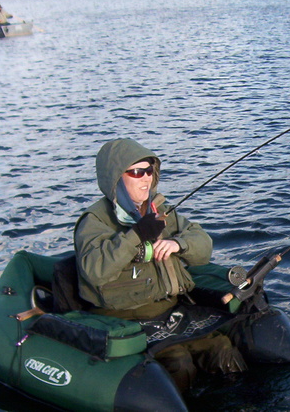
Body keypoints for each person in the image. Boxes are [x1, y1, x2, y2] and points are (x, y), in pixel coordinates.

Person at [74, 138, 246, 391]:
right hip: (123, 318)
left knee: (222, 350)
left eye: (149, 171)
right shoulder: (94, 221)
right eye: (136, 172)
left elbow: (203, 245)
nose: (145, 178)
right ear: (115, 178)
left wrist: (179, 244)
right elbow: (95, 270)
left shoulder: (160, 210)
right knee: (179, 363)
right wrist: (136, 235)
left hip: (170, 311)